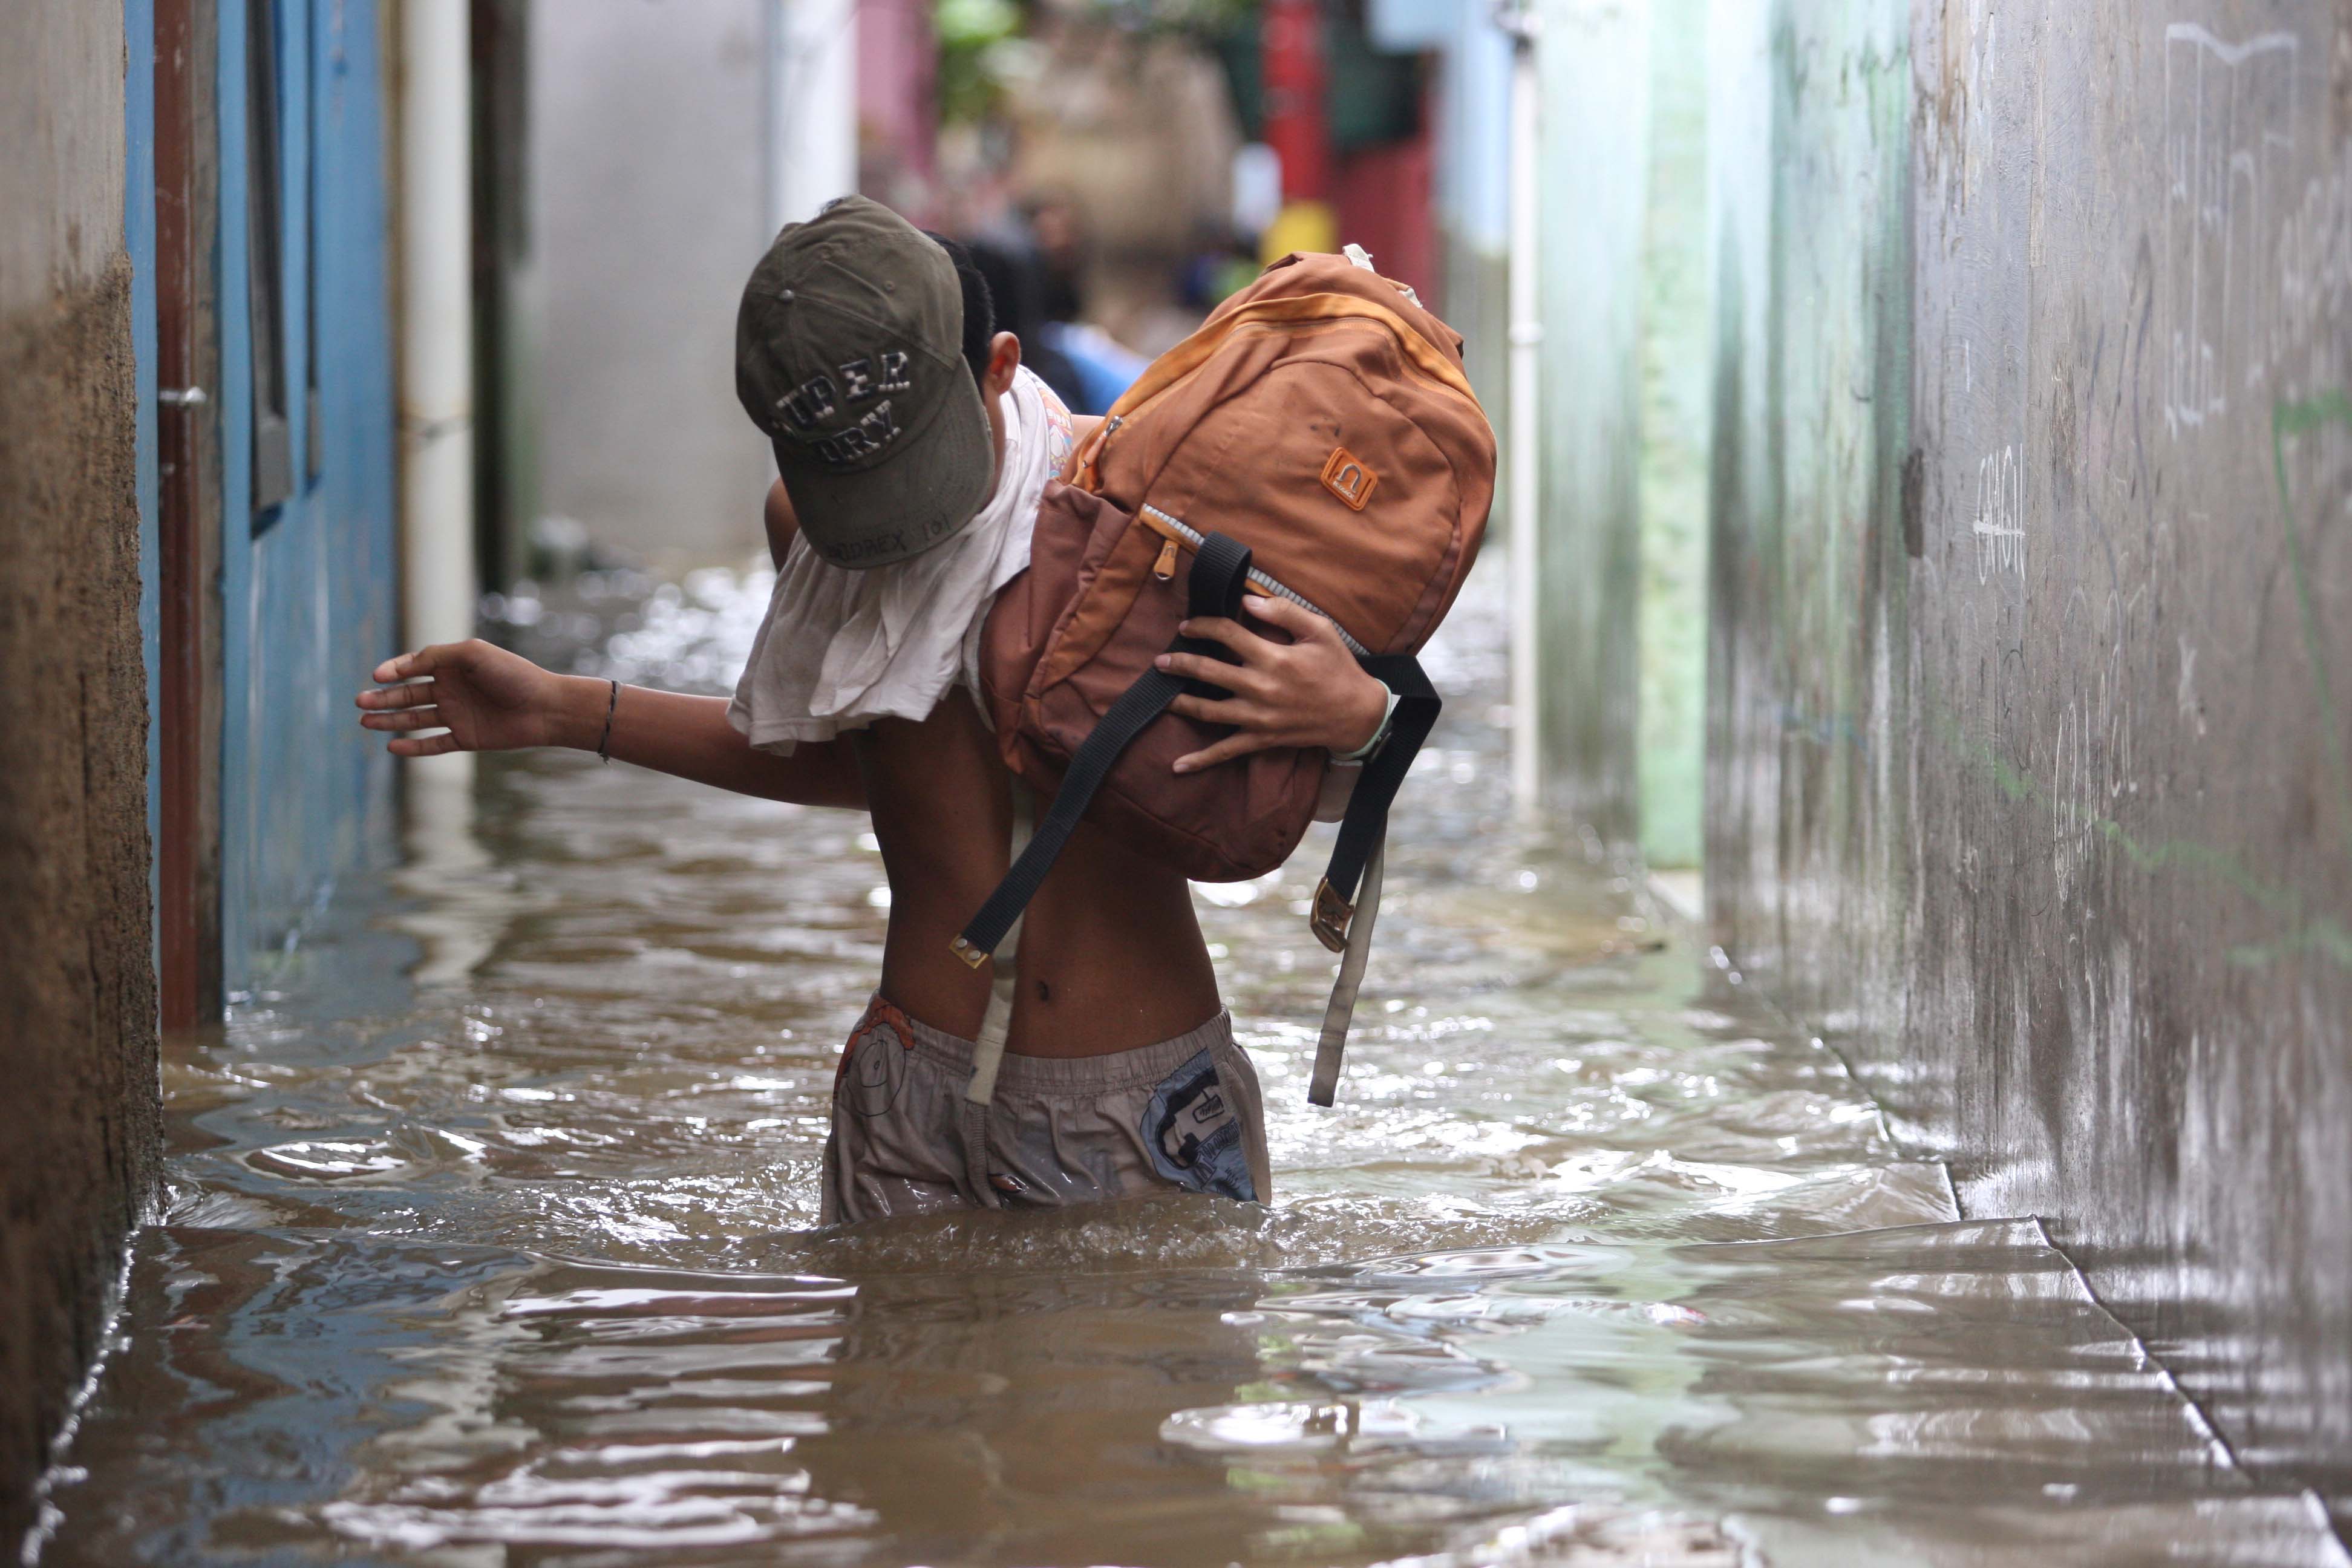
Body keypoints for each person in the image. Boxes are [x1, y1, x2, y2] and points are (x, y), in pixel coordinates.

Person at [356, 197, 1391, 1224]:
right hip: (910, 1096)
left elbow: (1290, 792)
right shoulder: (815, 527)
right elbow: (868, 766)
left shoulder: (1143, 512)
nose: (894, 517)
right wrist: (559, 711)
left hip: (1137, 1102)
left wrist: (1355, 718)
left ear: (997, 364)